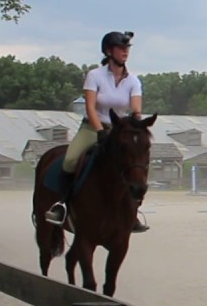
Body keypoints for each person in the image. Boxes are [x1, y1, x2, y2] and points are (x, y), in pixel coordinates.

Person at [45, 31, 149, 232]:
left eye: (127, 49)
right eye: (121, 48)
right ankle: (62, 205)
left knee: (135, 164)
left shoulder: (133, 81)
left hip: (120, 131)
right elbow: (90, 107)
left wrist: (136, 128)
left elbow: (136, 110)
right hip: (92, 127)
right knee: (70, 161)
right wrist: (100, 130)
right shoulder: (94, 75)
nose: (125, 52)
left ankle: (132, 212)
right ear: (109, 51)